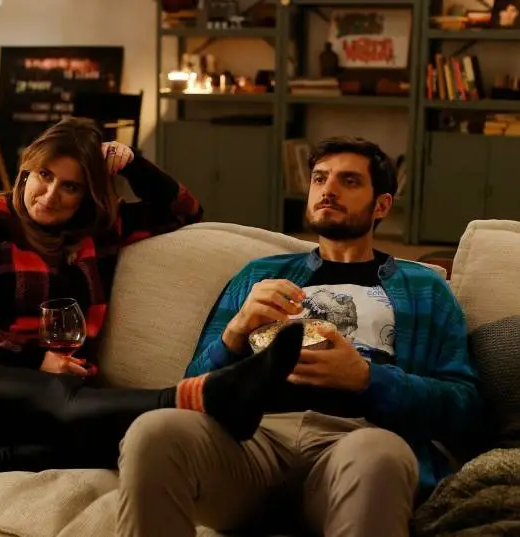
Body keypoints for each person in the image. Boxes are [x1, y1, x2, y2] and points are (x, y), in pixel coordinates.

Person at [0, 118, 305, 495]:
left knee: (114, 441)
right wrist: (34, 359)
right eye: (43, 175)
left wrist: (133, 164)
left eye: (70, 186)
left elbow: (185, 210)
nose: (50, 194)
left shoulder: (99, 230)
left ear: (87, 195)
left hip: (41, 402)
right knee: (66, 400)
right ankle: (207, 396)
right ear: (25, 172)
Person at [116, 136, 484, 537]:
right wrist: (236, 331)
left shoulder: (425, 288)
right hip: (252, 443)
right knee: (153, 432)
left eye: (349, 181)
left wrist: (368, 379)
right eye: (320, 178)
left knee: (380, 454)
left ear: (381, 205)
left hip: (357, 441)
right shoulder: (260, 275)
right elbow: (193, 386)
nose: (328, 190)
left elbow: (465, 409)